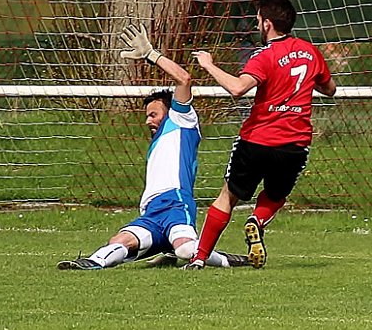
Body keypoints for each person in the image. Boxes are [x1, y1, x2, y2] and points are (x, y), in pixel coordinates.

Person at [57, 24, 250, 271]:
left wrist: (151, 54)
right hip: (151, 211)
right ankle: (90, 263)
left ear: (171, 112)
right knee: (121, 240)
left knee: (185, 249)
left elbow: (184, 78)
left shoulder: (182, 121)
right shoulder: (158, 141)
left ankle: (224, 259)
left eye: (153, 114)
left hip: (176, 204)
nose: (148, 120)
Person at [189, 0, 337, 269]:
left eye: (258, 20)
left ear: (267, 24)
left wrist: (208, 64)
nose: (257, 24)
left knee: (228, 196)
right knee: (275, 195)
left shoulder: (265, 56)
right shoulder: (311, 51)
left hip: (257, 140)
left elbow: (238, 88)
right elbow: (330, 89)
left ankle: (199, 258)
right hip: (294, 142)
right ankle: (256, 220)